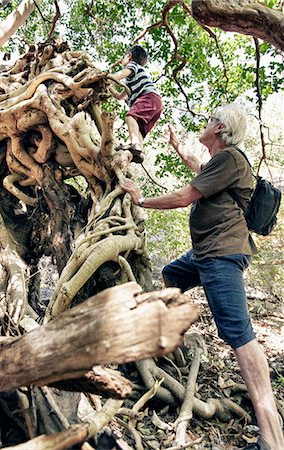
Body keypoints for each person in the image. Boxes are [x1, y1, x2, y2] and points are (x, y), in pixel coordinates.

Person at [121, 103, 284, 450]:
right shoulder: (221, 164)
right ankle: (170, 339)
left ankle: (272, 436)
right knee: (170, 275)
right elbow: (200, 170)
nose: (206, 122)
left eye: (211, 119)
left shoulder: (231, 158)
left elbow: (185, 196)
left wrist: (141, 200)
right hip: (204, 255)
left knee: (239, 335)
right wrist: (179, 149)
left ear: (221, 129)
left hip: (221, 255)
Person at [109, 45, 163, 163]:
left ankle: (135, 145)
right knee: (138, 129)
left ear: (129, 56)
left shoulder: (133, 66)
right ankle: (138, 152)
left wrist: (106, 78)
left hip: (149, 97)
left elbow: (120, 75)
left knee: (130, 117)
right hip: (156, 103)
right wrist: (108, 88)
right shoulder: (131, 81)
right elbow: (119, 97)